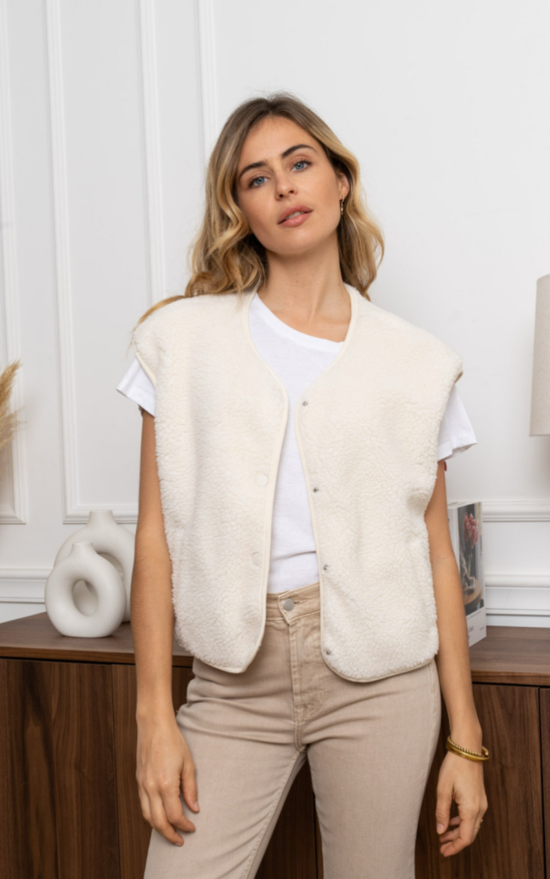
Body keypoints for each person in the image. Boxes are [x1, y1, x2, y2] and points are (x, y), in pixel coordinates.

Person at [116, 91, 488, 879]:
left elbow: (437, 553)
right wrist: (153, 717)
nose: (284, 186)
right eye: (256, 178)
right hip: (233, 682)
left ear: (339, 181)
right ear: (240, 210)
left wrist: (467, 740)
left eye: (300, 163)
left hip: (382, 683)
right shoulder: (178, 342)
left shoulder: (417, 363)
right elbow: (154, 536)